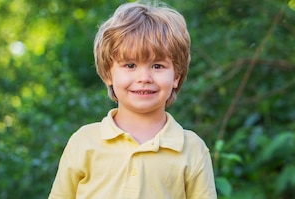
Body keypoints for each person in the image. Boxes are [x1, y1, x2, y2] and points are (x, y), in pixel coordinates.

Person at [48, 1, 217, 198]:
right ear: (108, 74)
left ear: (176, 76)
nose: (144, 78)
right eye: (130, 65)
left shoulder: (192, 149)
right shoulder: (84, 142)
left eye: (157, 66)